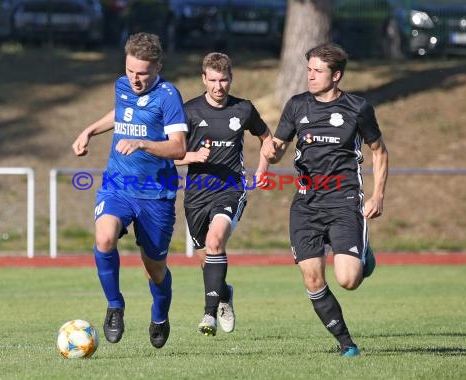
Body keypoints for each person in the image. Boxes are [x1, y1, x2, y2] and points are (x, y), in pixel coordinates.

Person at [261, 42, 388, 357]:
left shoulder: (357, 108)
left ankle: (362, 255)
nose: (311, 76)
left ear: (337, 76)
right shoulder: (296, 106)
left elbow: (379, 151)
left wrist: (378, 195)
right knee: (312, 276)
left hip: (344, 200)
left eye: (318, 71)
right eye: (309, 70)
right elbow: (277, 148)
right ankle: (347, 344)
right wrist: (272, 152)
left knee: (348, 280)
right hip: (305, 204)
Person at [71, 32, 188, 349]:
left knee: (155, 269)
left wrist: (143, 143)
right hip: (119, 184)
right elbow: (121, 113)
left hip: (156, 196)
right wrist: (90, 131)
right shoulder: (122, 86)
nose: (135, 80)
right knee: (104, 237)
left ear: (157, 68)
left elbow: (179, 148)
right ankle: (115, 305)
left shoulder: (168, 96)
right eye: (130, 71)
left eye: (143, 74)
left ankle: (160, 315)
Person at [175, 52, 272, 336]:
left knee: (216, 240)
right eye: (213, 80)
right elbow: (167, 153)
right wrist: (192, 156)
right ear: (203, 79)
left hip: (230, 189)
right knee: (208, 260)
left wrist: (262, 168)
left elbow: (266, 138)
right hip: (196, 195)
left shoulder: (243, 109)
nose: (219, 86)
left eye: (224, 80)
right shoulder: (189, 111)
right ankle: (224, 294)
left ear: (231, 79)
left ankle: (209, 316)